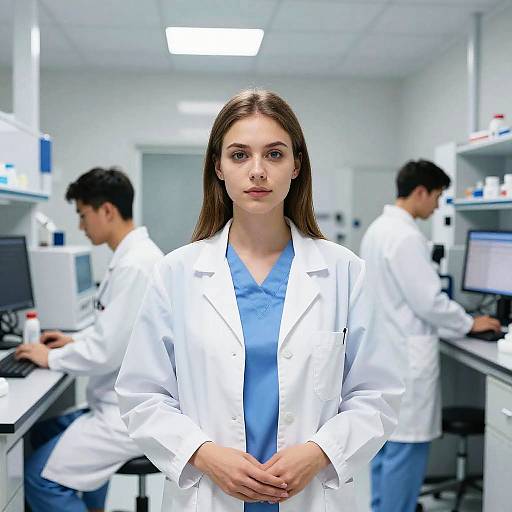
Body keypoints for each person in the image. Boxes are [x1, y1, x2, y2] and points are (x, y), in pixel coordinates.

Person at [115, 89, 404, 512]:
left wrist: (320, 452)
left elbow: (376, 395)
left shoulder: (344, 271)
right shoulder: (176, 273)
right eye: (238, 155)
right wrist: (204, 454)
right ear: (218, 167)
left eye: (273, 154)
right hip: (210, 494)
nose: (257, 171)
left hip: (311, 495)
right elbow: (142, 396)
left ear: (296, 166)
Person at [16, 167, 163, 512]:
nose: (81, 226)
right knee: (40, 433)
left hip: (126, 414)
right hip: (114, 401)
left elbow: (105, 352)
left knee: (37, 478)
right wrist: (72, 340)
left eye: (83, 215)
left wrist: (47, 357)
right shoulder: (130, 258)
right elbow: (111, 330)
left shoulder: (136, 265)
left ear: (107, 210)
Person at [360, 159, 502, 512]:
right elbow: (430, 302)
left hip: (385, 354)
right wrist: (470, 323)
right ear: (421, 192)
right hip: (405, 359)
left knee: (387, 448)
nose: (438, 205)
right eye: (437, 196)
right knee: (406, 450)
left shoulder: (379, 230)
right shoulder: (406, 237)